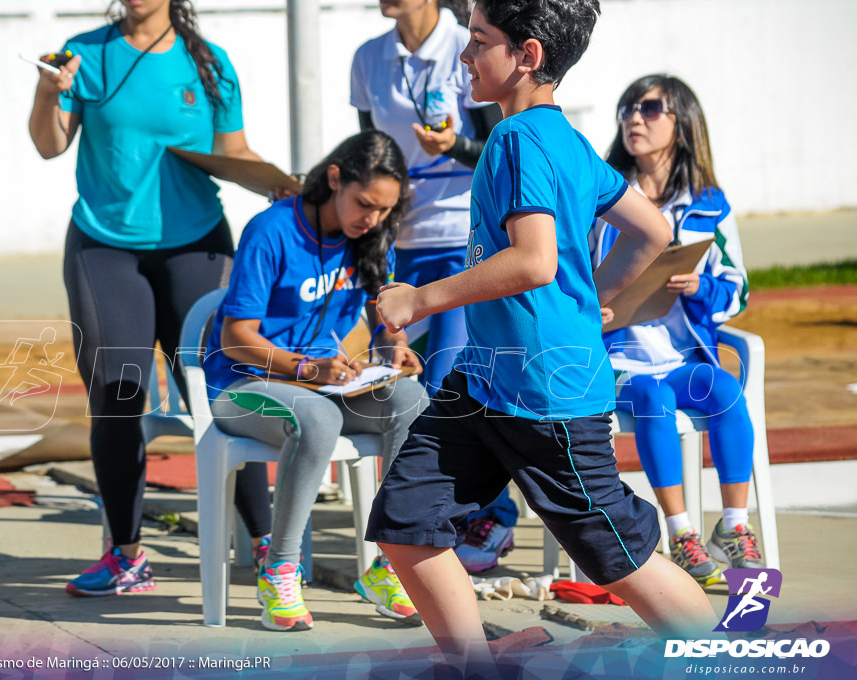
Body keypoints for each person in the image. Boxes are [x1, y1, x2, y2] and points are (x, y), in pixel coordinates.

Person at [370, 0, 717, 671]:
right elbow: (652, 231)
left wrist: (419, 298)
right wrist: (598, 306)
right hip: (487, 379)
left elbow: (535, 259)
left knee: (616, 557)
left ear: (528, 57)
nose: (466, 57)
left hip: (547, 395)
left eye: (479, 42)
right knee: (408, 522)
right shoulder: (565, 139)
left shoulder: (519, 138)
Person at [27, 0, 275, 596]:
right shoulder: (84, 54)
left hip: (198, 244)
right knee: (119, 392)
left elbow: (234, 150)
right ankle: (126, 554)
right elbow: (48, 145)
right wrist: (46, 92)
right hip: (105, 247)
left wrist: (286, 189)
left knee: (224, 391)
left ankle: (270, 550)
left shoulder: (208, 62)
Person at [203, 130, 429, 632]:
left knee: (413, 399)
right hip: (244, 388)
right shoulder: (272, 230)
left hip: (325, 385)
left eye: (384, 211)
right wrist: (307, 368)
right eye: (365, 203)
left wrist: (395, 350)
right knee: (318, 417)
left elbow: (383, 313)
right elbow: (236, 337)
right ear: (334, 179)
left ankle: (390, 566)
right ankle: (279, 570)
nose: (372, 219)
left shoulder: (369, 236)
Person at [350, 0, 518, 574]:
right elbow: (371, 157)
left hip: (461, 236)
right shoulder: (369, 57)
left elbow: (499, 150)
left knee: (451, 383)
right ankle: (420, 525)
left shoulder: (465, 44)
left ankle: (489, 518)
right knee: (392, 380)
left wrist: (456, 149)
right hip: (403, 239)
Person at [590, 74, 762, 588]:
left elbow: (739, 291)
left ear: (681, 124)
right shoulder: (598, 197)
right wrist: (588, 308)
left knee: (728, 391)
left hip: (682, 359)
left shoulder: (709, 204)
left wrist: (700, 287)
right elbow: (566, 269)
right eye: (626, 108)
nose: (632, 117)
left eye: (649, 108)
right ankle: (679, 533)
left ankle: (733, 527)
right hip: (616, 362)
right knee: (650, 395)